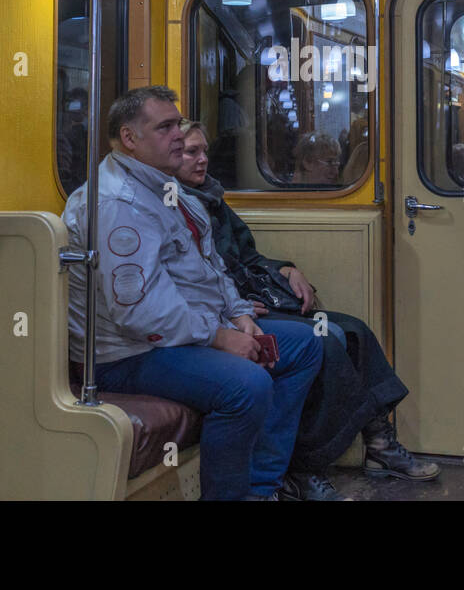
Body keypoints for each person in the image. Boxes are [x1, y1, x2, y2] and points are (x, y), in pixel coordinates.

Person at [63, 86, 322, 500]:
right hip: (126, 354)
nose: (178, 137)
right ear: (129, 138)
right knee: (246, 386)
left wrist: (240, 316)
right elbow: (139, 312)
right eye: (164, 127)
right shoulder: (117, 202)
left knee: (308, 345)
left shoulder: (167, 189)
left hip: (180, 335)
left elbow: (209, 265)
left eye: (176, 124)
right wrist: (220, 338)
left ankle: (259, 486)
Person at [177, 120, 439, 500]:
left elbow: (246, 255)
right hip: (233, 308)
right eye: (190, 152)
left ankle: (380, 444)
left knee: (353, 329)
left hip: (250, 296)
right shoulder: (175, 205)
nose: (201, 160)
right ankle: (304, 468)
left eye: (204, 151)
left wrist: (285, 267)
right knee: (324, 342)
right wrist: (231, 308)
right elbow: (195, 278)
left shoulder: (212, 199)